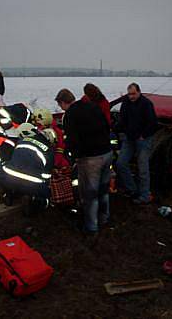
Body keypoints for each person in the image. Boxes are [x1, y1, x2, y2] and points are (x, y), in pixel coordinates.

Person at [56, 89, 112, 234]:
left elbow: (72, 140)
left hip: (91, 159)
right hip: (107, 153)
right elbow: (107, 126)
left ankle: (91, 227)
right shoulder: (92, 106)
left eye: (60, 104)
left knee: (90, 194)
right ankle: (104, 218)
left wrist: (73, 157)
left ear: (62, 102)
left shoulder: (70, 115)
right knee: (103, 189)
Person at [115, 83, 158, 205]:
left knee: (143, 168)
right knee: (120, 163)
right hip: (129, 138)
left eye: (133, 94)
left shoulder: (146, 104)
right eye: (129, 94)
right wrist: (114, 128)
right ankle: (132, 189)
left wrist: (143, 135)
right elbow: (122, 121)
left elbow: (153, 123)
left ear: (139, 92)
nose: (131, 96)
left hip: (143, 139)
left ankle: (145, 195)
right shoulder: (126, 103)